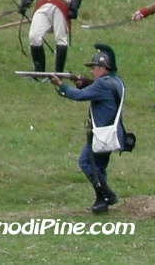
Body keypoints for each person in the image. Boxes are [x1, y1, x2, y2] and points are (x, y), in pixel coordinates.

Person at [49, 44, 124, 214]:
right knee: (99, 167)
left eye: (94, 68)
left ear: (103, 69)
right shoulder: (116, 81)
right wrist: (81, 83)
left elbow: (79, 96)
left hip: (101, 135)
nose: (92, 71)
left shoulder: (102, 85)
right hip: (113, 133)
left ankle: (107, 195)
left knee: (85, 162)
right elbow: (96, 90)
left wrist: (61, 86)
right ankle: (101, 201)